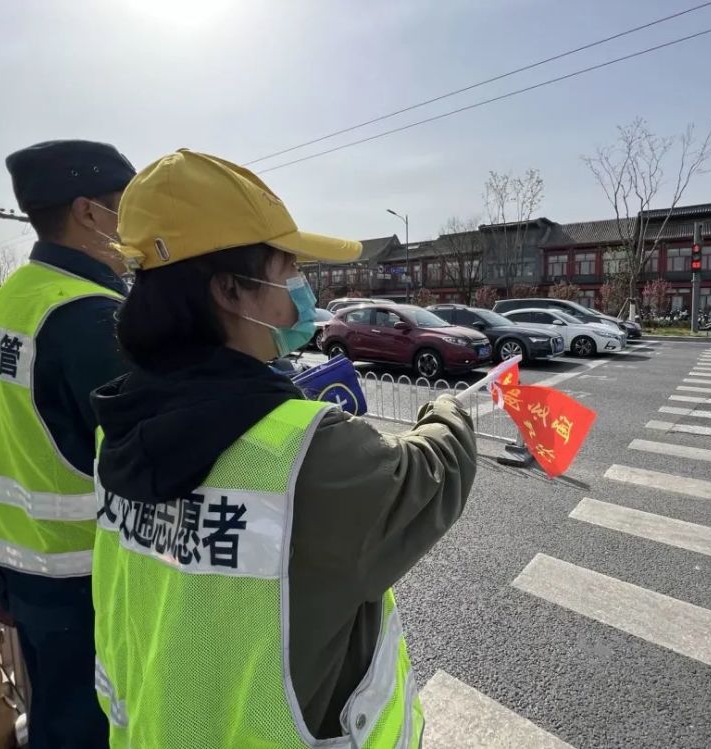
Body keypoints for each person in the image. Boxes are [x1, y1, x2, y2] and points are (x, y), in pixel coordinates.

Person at [90, 150, 478, 747]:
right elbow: (433, 473)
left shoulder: (117, 423)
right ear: (229, 290)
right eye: (288, 266)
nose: (303, 285)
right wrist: (448, 409)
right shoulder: (306, 453)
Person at [0, 140, 135, 748]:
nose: (135, 224)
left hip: (24, 562)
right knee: (85, 730)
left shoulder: (19, 291)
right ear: (89, 213)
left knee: (51, 720)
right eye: (125, 207)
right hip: (84, 575)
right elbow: (147, 447)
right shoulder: (90, 315)